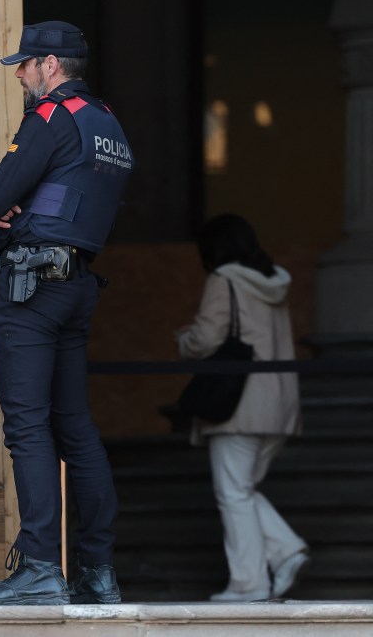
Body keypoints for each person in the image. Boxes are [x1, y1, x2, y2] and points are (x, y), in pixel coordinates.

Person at [0, 21, 133, 605]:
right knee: (76, 429)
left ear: (49, 65)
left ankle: (37, 568)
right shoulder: (106, 121)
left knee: (28, 428)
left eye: (25, 66)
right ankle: (97, 570)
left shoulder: (51, 118)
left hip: (31, 288)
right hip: (75, 282)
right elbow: (72, 196)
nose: (22, 77)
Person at [177, 214, 307, 602]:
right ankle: (284, 552)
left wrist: (184, 340)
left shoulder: (225, 280)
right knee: (242, 489)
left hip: (239, 404)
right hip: (279, 404)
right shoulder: (275, 282)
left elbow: (207, 337)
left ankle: (251, 584)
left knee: (233, 492)